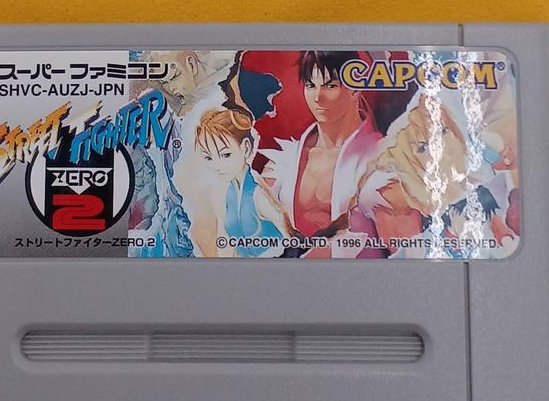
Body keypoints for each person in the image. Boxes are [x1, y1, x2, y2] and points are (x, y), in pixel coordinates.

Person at [259, 51, 434, 256]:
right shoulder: (283, 163)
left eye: (330, 86)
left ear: (355, 89)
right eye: (310, 85)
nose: (318, 97)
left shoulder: (385, 163)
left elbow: (411, 256)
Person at [177, 107, 288, 257]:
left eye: (226, 155)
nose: (217, 165)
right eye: (209, 158)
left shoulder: (258, 194)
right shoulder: (230, 193)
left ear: (246, 147)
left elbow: (291, 240)